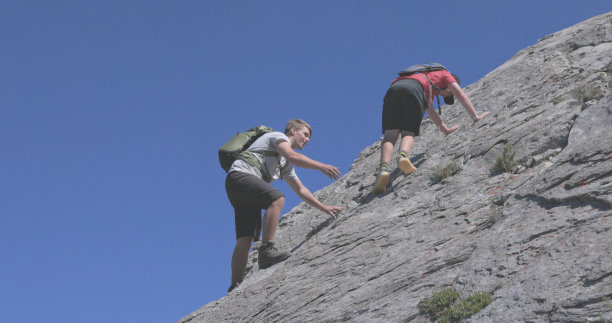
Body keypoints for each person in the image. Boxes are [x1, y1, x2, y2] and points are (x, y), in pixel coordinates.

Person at [225, 119, 344, 293]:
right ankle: (266, 252)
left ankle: (235, 285)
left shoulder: (284, 164)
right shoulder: (278, 137)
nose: (308, 139)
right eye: (305, 134)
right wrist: (321, 166)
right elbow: (293, 156)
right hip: (241, 176)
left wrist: (324, 208)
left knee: (246, 238)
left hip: (237, 184)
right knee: (277, 199)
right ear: (293, 131)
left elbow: (301, 189)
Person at [372, 66, 490, 195]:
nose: (445, 95)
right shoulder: (445, 74)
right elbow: (461, 95)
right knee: (408, 132)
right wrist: (475, 117)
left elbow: (431, 112)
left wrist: (445, 130)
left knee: (390, 135)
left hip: (394, 89)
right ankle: (402, 156)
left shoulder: (424, 79)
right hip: (414, 90)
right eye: (449, 94)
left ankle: (383, 169)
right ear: (451, 84)